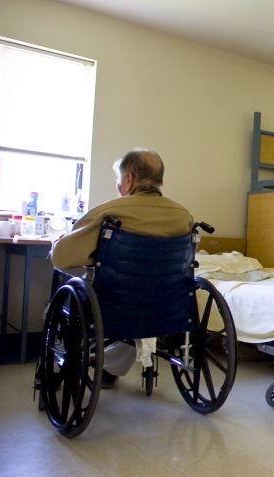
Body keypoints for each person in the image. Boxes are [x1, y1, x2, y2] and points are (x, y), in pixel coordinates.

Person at [51, 149, 194, 388]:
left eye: (119, 180)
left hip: (114, 304)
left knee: (82, 284)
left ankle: (91, 360)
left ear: (128, 178)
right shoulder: (183, 216)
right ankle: (111, 364)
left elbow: (61, 258)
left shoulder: (110, 211)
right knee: (138, 305)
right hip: (165, 305)